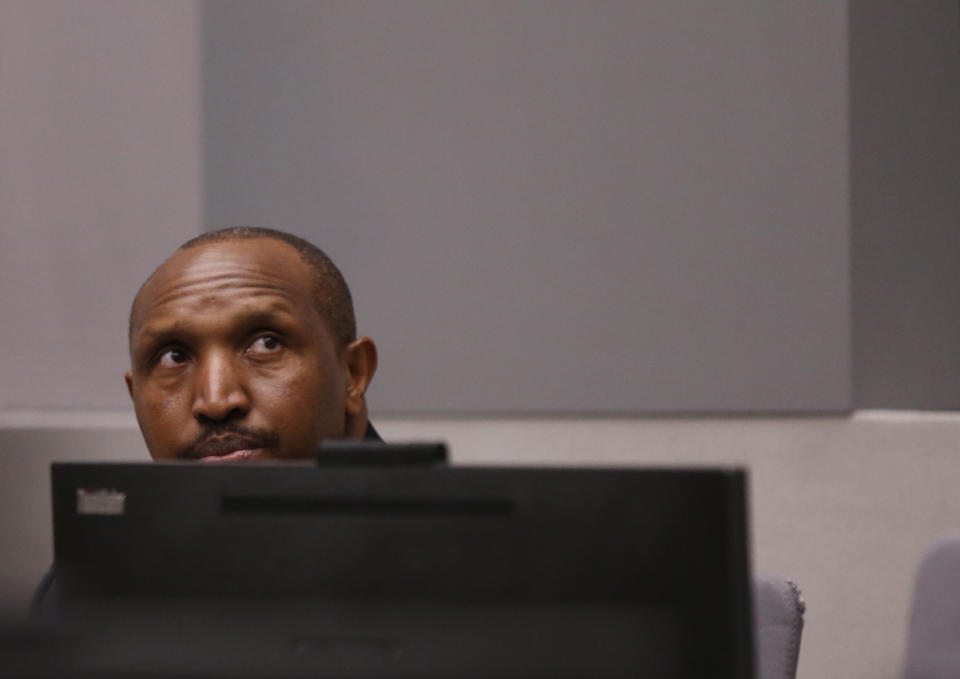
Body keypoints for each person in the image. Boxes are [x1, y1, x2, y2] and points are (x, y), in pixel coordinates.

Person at [32, 226, 379, 616]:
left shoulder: (453, 570)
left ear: (352, 373)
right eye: (173, 358)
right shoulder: (90, 590)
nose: (215, 401)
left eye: (266, 343)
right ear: (135, 398)